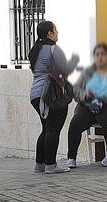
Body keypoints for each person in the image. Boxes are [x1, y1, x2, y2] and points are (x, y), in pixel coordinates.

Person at [66, 43, 107, 168]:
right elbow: (76, 90)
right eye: (97, 54)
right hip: (90, 105)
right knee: (75, 123)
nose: (100, 57)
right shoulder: (88, 72)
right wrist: (85, 94)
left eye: (103, 54)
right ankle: (71, 157)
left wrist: (105, 98)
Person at [29, 21, 79, 174]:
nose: (57, 33)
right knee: (53, 129)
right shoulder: (53, 49)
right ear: (49, 33)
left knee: (46, 128)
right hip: (51, 95)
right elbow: (64, 71)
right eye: (55, 30)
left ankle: (40, 164)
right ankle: (50, 165)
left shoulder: (35, 50)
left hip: (36, 94)